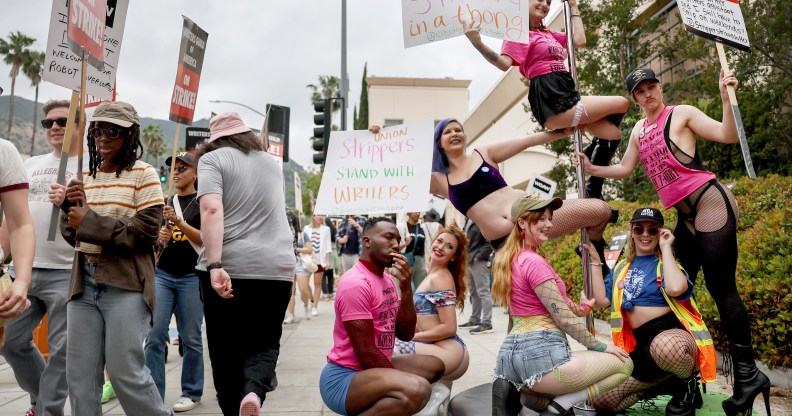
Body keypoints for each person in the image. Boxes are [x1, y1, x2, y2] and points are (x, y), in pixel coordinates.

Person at [577, 67, 770, 416]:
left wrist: (726, 97)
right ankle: (683, 379)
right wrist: (592, 169)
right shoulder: (638, 129)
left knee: (721, 287)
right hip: (685, 217)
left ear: (660, 87)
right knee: (674, 288)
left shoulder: (681, 114)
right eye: (640, 91)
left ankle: (748, 375)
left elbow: (727, 135)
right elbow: (624, 169)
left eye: (652, 87)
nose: (648, 94)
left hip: (709, 201)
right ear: (634, 98)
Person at [381, 119, 613, 276]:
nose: (454, 133)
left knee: (600, 210)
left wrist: (562, 132)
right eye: (447, 131)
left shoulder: (483, 153)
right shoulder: (440, 180)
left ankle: (593, 250)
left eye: (458, 129)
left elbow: (527, 141)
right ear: (439, 143)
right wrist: (378, 141)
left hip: (532, 217)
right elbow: (396, 173)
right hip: (505, 243)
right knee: (523, 308)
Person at [56, 101, 171, 415]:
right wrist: (68, 210)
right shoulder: (85, 176)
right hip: (83, 283)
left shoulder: (143, 175)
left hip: (127, 283)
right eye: (97, 130)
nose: (102, 138)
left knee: (124, 372)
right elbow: (74, 235)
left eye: (113, 131)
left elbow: (147, 231)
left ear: (130, 135)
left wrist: (88, 221)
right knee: (79, 376)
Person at [463, 0, 629, 199]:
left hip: (567, 90)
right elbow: (504, 64)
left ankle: (593, 186)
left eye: (549, 2)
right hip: (551, 97)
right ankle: (591, 177)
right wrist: (477, 42)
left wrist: (574, 6)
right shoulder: (518, 34)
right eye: (540, 0)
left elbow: (579, 40)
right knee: (622, 103)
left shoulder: (548, 34)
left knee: (613, 135)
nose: (545, 4)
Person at [491, 195, 632, 415]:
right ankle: (560, 407)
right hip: (539, 355)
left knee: (540, 392)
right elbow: (563, 318)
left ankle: (522, 391)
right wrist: (602, 346)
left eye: (550, 219)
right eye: (541, 219)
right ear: (522, 222)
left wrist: (583, 308)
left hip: (509, 357)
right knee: (624, 365)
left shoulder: (511, 259)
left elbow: (552, 303)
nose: (549, 225)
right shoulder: (534, 262)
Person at [195, 112, 294, 416]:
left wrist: (214, 265)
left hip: (232, 266)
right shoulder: (271, 163)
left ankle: (232, 408)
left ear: (215, 139)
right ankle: (253, 392)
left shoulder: (212, 161)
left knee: (225, 350)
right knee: (265, 343)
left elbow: (212, 210)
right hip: (277, 268)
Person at [584, 207, 716, 415]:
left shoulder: (666, 264)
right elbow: (601, 300)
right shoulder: (621, 268)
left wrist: (665, 248)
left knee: (665, 348)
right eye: (639, 229)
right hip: (639, 347)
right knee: (600, 401)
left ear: (660, 233)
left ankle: (687, 387)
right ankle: (661, 385)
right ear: (632, 233)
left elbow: (675, 288)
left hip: (671, 338)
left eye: (652, 230)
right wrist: (594, 261)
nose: (645, 235)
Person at [319, 217, 445, 416]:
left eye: (398, 239)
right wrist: (402, 382)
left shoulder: (387, 280)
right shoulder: (355, 283)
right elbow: (366, 352)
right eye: (388, 237)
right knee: (418, 389)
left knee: (436, 366)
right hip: (345, 378)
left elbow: (405, 333)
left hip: (373, 368)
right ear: (367, 241)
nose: (396, 244)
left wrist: (406, 288)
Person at [0, 99, 76, 416]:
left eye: (62, 121)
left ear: (78, 125)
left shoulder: (90, 167)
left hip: (67, 272)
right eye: (49, 123)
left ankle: (48, 411)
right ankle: (40, 397)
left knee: (61, 353)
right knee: (11, 343)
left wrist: (71, 202)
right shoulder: (28, 163)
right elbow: (13, 221)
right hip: (22, 271)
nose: (55, 127)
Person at [144, 151, 204, 412]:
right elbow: (155, 243)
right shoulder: (164, 203)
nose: (177, 172)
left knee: (190, 337)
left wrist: (179, 222)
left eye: (183, 167)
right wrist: (161, 237)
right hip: (164, 275)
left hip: (192, 276)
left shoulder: (203, 203)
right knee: (155, 336)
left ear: (196, 173)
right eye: (174, 168)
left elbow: (206, 240)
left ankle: (191, 392)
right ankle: (155, 395)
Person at [394, 225, 471, 381]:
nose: (441, 247)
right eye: (440, 241)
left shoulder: (440, 278)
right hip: (436, 349)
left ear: (454, 256)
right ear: (433, 242)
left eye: (449, 246)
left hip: (447, 352)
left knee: (390, 349)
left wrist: (413, 337)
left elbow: (449, 327)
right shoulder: (432, 276)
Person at [458, 219, 494, 335]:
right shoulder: (468, 220)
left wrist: (478, 256)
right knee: (473, 292)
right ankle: (475, 319)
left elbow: (490, 242)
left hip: (478, 260)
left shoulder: (481, 220)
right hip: (469, 259)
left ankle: (487, 323)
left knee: (483, 291)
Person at [397, 212, 440, 289]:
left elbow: (427, 245)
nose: (418, 214)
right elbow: (395, 247)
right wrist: (405, 244)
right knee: (404, 288)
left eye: (419, 212)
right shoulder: (402, 227)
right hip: (405, 260)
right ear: (409, 213)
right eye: (416, 212)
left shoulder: (422, 228)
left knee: (422, 288)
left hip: (420, 261)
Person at [303, 214, 332, 316]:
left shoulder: (326, 229)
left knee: (317, 284)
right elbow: (304, 243)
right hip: (308, 260)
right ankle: (311, 299)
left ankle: (315, 307)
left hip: (320, 260)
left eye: (322, 215)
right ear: (313, 217)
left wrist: (328, 261)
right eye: (318, 215)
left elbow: (328, 246)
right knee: (304, 284)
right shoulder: (306, 228)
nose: (320, 217)